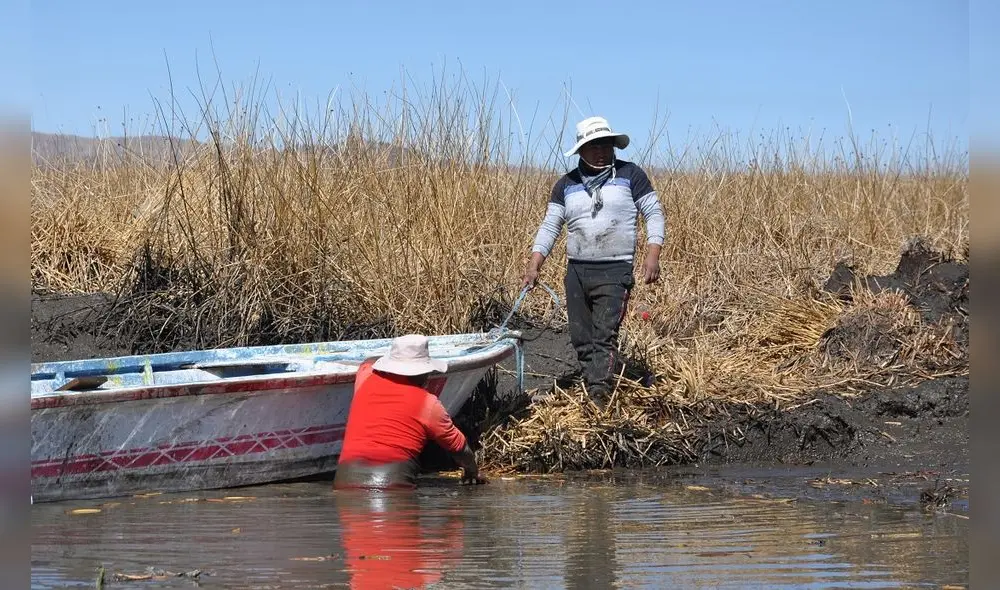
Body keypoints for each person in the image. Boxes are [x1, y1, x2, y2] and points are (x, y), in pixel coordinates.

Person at [521, 116, 665, 407]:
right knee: (580, 335)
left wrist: (653, 254)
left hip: (615, 269)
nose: (601, 151)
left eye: (606, 145)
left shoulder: (630, 175)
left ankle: (599, 393)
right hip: (577, 269)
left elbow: (654, 213)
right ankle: (592, 380)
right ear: (581, 150)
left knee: (604, 334)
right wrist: (534, 263)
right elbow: (551, 226)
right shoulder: (567, 184)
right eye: (593, 146)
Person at [333, 334, 487, 489]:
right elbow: (460, 449)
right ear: (423, 372)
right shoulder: (428, 404)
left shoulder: (365, 377)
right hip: (394, 492)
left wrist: (393, 358)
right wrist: (472, 472)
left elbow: (368, 362)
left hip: (344, 487)